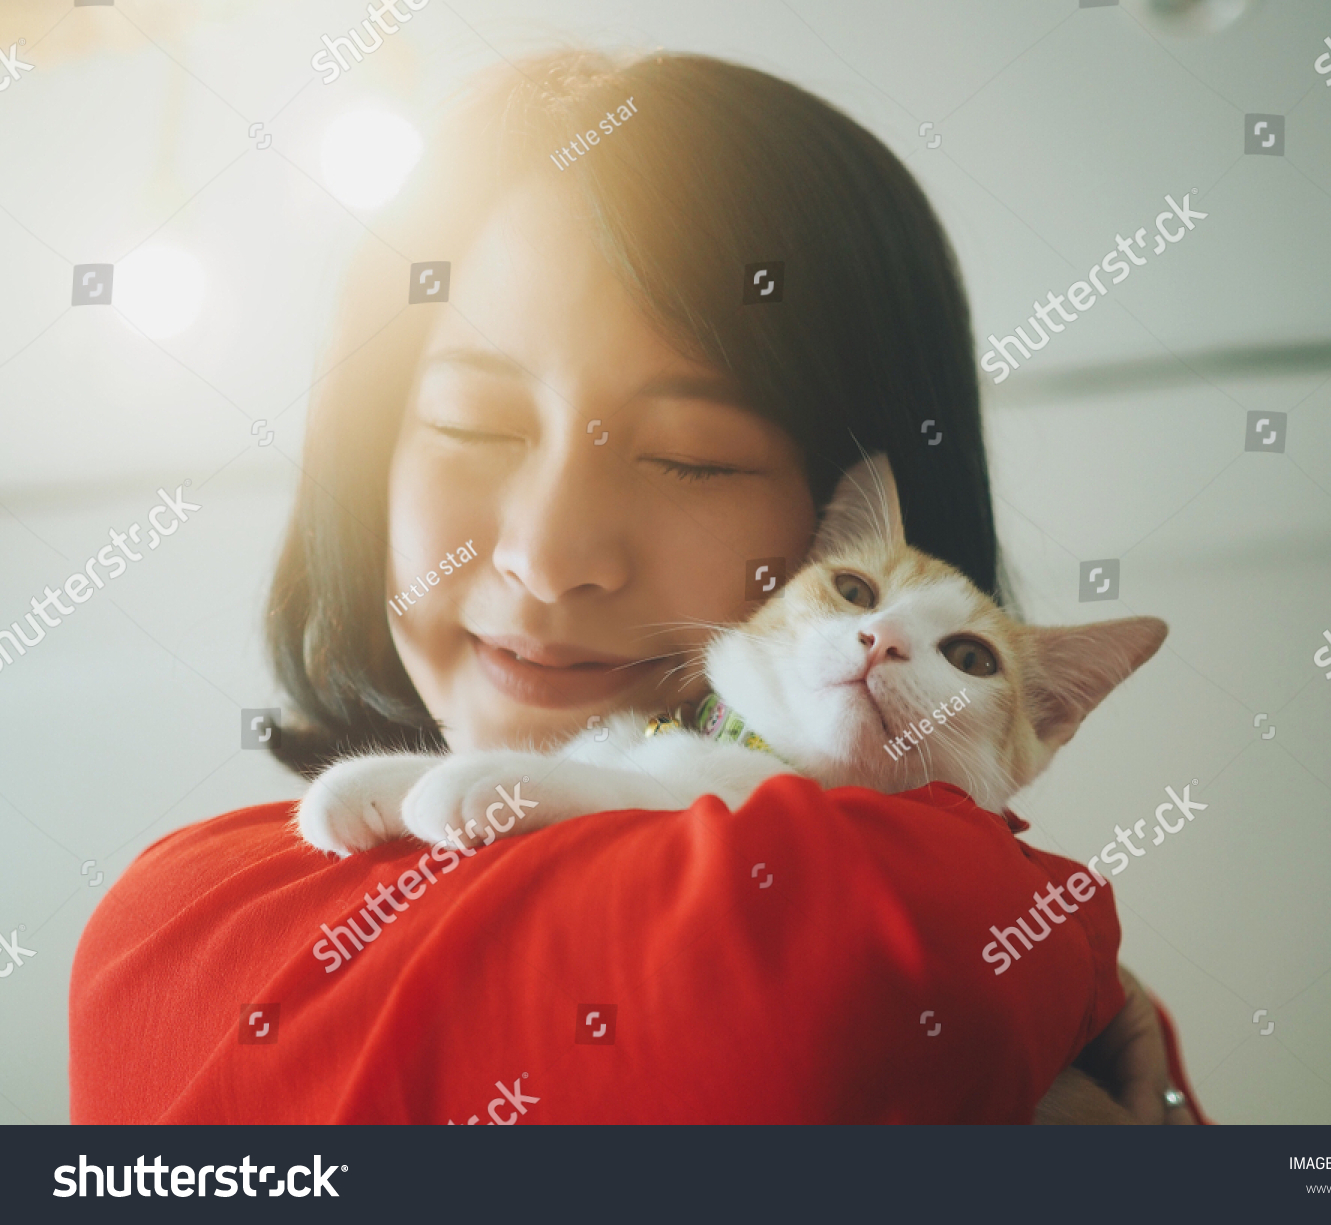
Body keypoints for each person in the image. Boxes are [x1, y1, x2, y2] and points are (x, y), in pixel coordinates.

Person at [75, 50, 1201, 1124]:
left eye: (692, 456)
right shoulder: (194, 925)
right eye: (474, 423)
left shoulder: (996, 928)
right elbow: (829, 1004)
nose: (549, 553)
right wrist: (1059, 969)